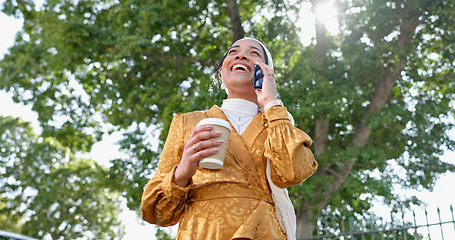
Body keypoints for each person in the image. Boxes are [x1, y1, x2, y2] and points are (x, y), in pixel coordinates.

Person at [141, 38, 318, 239]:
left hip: (264, 231)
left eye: (254, 53)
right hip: (203, 232)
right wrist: (182, 171)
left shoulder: (277, 123)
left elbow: (293, 172)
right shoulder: (187, 123)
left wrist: (271, 102)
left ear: (265, 72)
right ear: (221, 70)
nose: (241, 55)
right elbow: (155, 211)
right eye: (233, 51)